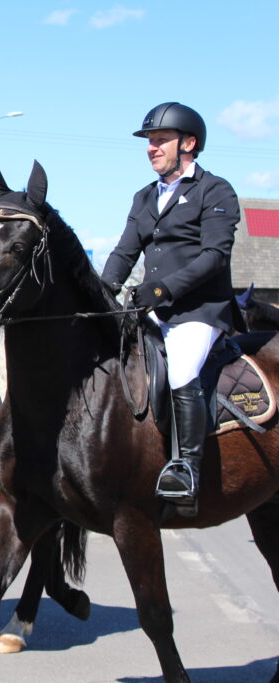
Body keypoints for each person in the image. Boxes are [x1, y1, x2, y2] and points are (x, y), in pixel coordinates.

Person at [101, 102, 244, 514]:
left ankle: (187, 469)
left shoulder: (215, 190)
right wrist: (104, 292)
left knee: (182, 367)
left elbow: (214, 256)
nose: (151, 148)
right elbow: (124, 253)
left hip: (199, 311)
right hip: (154, 309)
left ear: (189, 143)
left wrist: (162, 291)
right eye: (149, 141)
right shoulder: (144, 197)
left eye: (160, 140)